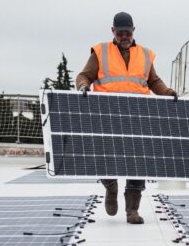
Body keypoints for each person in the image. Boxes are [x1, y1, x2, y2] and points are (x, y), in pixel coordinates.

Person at [76, 12, 177, 224]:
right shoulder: (101, 52)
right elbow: (83, 76)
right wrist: (83, 86)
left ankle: (132, 210)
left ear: (133, 31)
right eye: (120, 32)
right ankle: (111, 187)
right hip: (107, 116)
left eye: (128, 33)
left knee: (138, 163)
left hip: (138, 117)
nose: (124, 36)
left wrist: (167, 92)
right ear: (113, 31)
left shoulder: (145, 55)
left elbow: (154, 82)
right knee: (106, 158)